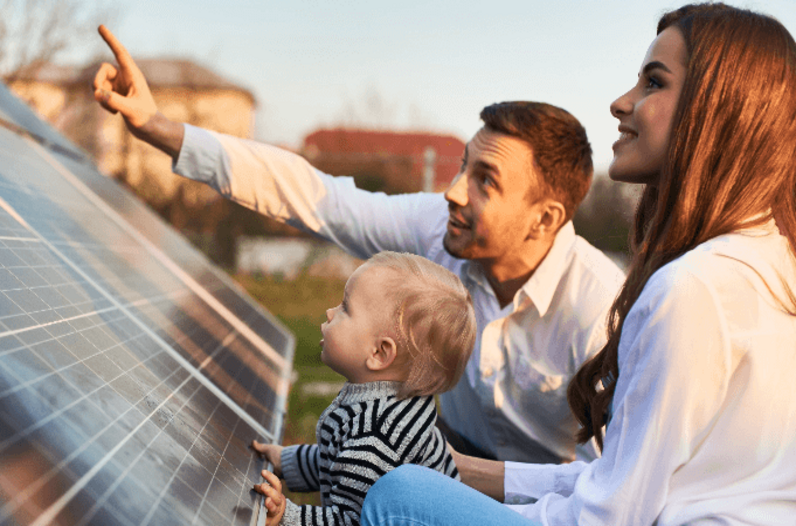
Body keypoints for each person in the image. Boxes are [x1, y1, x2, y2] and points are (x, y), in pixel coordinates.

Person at [92, 26, 625, 464]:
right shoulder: (440, 227)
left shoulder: (601, 311)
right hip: (444, 458)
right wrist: (157, 127)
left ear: (544, 218)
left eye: (486, 179)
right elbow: (317, 197)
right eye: (465, 164)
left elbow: (620, 486)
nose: (454, 190)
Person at [358, 3, 796, 525]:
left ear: (718, 111)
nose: (620, 102)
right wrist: (461, 471)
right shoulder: (770, 258)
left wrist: (431, 489)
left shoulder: (691, 289)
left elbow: (612, 515)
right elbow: (624, 475)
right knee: (422, 481)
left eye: (654, 83)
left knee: (398, 496)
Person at [249, 251, 475, 525]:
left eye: (345, 308)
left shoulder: (374, 439)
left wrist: (288, 516)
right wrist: (285, 461)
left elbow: (355, 521)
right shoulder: (388, 402)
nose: (330, 312)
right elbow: (335, 461)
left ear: (379, 353)